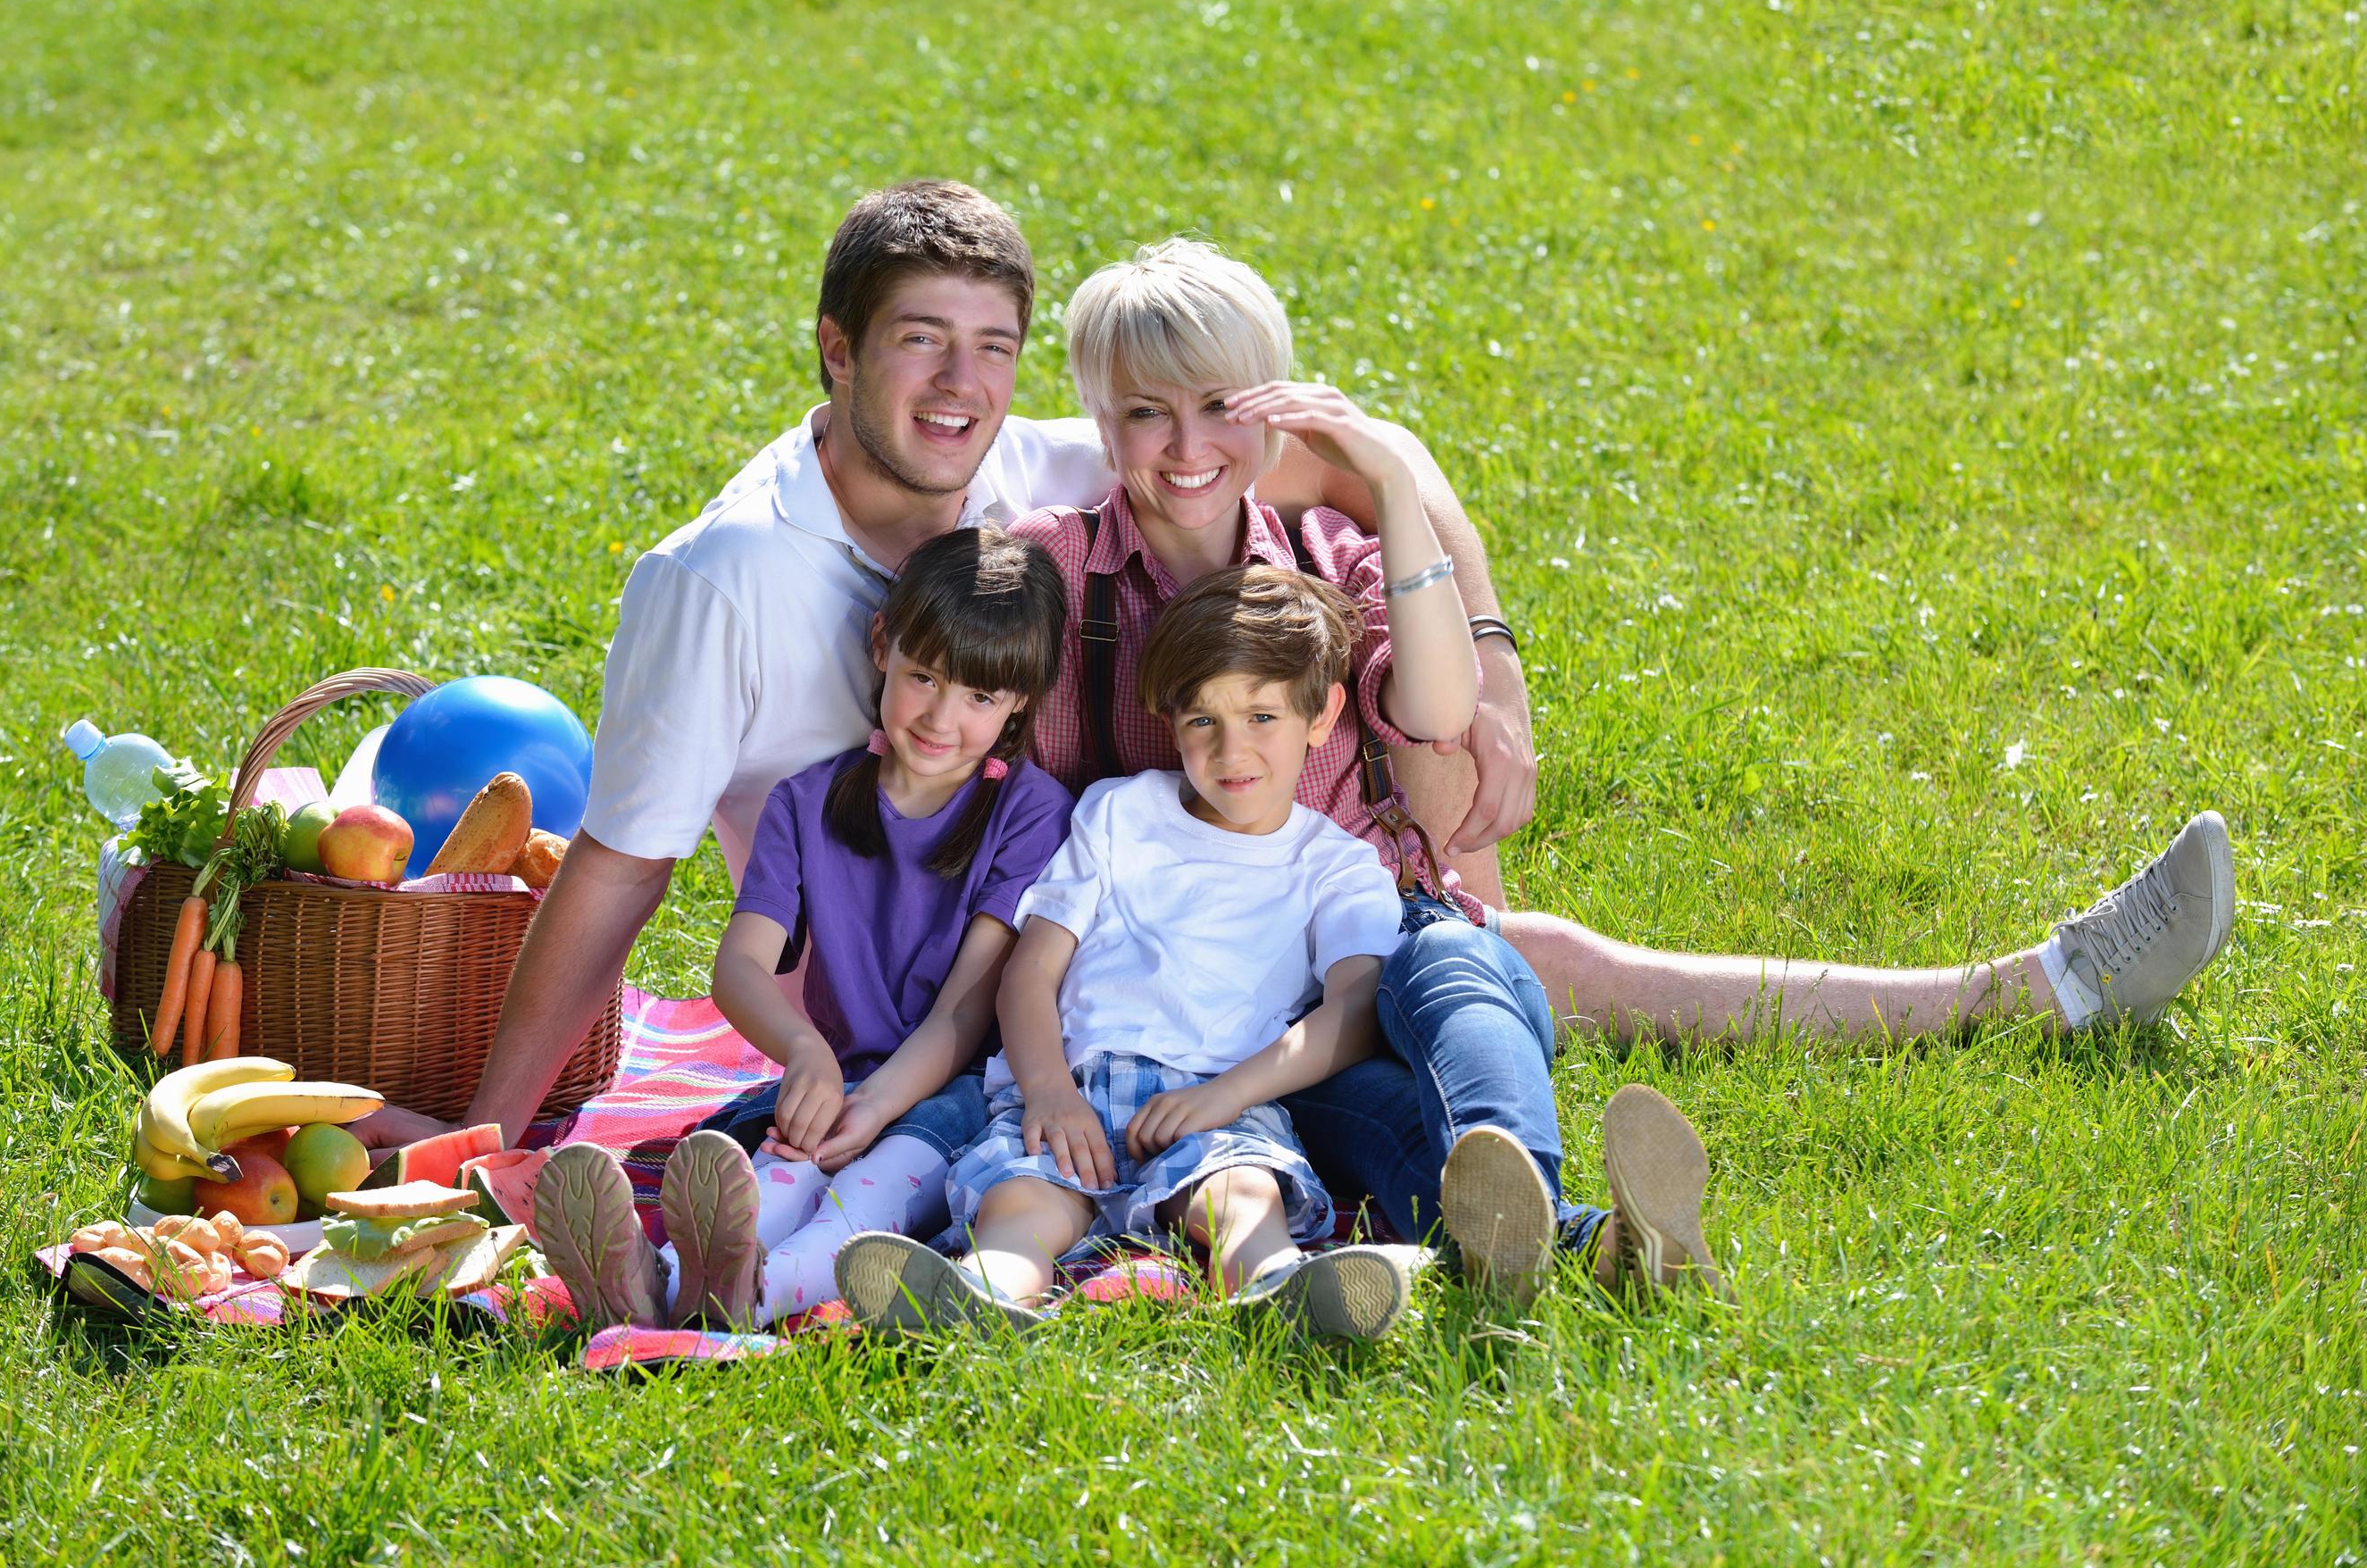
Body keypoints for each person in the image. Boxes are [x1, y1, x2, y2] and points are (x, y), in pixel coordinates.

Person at [991, 237, 2230, 1269]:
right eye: (1143, 415)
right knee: (1422, 1090)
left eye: (1222, 407)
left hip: (1346, 955)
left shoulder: (1331, 552)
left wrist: (1393, 480)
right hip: (1174, 992)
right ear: (1095, 421)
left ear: (1280, 407)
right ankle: (1586, 1236)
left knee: (1475, 972)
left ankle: (2027, 988)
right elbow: (952, 756)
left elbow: (1432, 710)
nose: (1185, 445)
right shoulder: (1053, 569)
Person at [359, 179, 1527, 1149]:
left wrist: (1490, 675)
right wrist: (487, 1126)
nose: (961, 388)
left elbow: (1373, 465)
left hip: (1135, 945)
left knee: (1447, 965)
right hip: (916, 1009)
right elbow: (621, 866)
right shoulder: (720, 578)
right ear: (837, 352)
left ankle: (1563, 1091)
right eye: (921, 344)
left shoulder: (1066, 463)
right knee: (1410, 1037)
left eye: (993, 351)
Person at [835, 566, 1705, 1339]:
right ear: (1166, 718)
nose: (1230, 749)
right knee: (1022, 1200)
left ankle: (1283, 1291)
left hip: (1224, 1091)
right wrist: (1048, 1089)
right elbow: (1032, 968)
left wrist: (1228, 1093)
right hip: (1083, 1083)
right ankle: (982, 1296)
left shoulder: (1333, 865)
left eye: (1260, 715)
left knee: (1243, 1197)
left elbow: (1354, 1008)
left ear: (1321, 713)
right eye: (1202, 720)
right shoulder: (1117, 812)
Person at [526, 527, 1076, 1330]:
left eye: (980, 697)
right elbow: (740, 968)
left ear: (1021, 699)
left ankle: (746, 1295)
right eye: (923, 676)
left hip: (956, 1093)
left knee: (863, 1192)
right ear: (882, 644)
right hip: (837, 1075)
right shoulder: (808, 800)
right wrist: (806, 1052)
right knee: (776, 1175)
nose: (941, 716)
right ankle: (659, 1275)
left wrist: (878, 1102)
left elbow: (965, 1011)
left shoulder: (1029, 813)